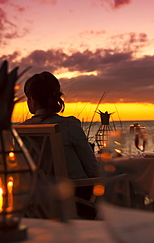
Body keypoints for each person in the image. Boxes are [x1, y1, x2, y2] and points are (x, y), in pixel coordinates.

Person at [22, 71, 100, 218]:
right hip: (77, 203)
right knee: (123, 181)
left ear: (32, 100)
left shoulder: (21, 130)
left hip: (38, 204)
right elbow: (93, 170)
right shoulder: (69, 125)